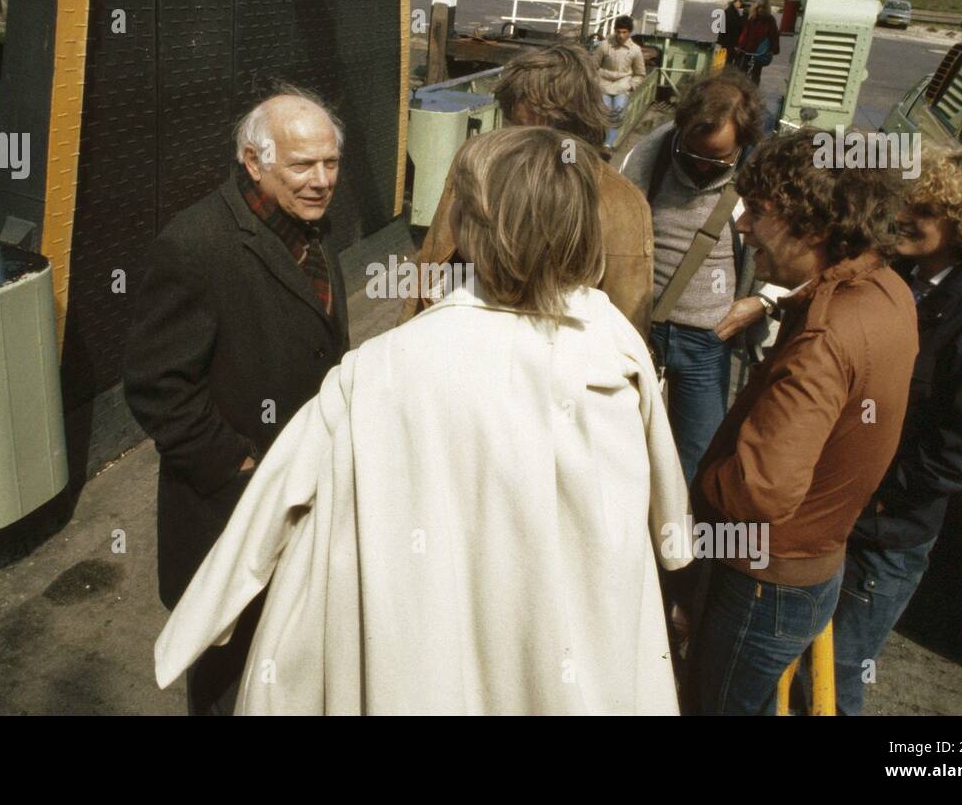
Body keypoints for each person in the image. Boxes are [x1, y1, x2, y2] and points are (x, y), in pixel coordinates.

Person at [155, 126, 693, 714]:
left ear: (470, 226)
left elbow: (268, 510)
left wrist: (201, 623)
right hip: (578, 657)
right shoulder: (614, 345)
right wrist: (673, 549)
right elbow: (666, 496)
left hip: (419, 661)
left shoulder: (381, 370)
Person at [123, 88, 349, 715]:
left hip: (300, 502)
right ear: (254, 162)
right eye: (302, 165)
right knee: (226, 675)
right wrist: (238, 465)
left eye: (330, 163)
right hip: (228, 515)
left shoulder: (310, 230)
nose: (321, 180)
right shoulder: (195, 245)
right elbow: (155, 384)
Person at [687, 129, 918, 716]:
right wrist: (774, 301)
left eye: (759, 214)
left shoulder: (824, 338)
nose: (742, 228)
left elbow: (761, 489)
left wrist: (697, 479)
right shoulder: (886, 288)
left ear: (813, 226)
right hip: (814, 570)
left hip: (765, 580)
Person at [832, 143, 962, 715]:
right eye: (910, 203)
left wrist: (879, 490)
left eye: (926, 211)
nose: (905, 217)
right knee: (800, 655)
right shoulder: (900, 279)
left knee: (839, 673)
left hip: (884, 536)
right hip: (844, 512)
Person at [400, 42, 655, 337]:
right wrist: (405, 334)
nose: (522, 145)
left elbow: (628, 315)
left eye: (539, 133)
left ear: (576, 124)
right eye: (514, 126)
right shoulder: (476, 166)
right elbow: (433, 255)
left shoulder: (619, 202)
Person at [618, 69, 769, 488]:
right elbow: (614, 222)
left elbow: (796, 253)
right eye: (694, 153)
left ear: (744, 142)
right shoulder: (654, 155)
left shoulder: (763, 176)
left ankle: (682, 545)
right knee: (622, 446)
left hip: (710, 339)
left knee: (698, 455)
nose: (702, 166)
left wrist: (763, 302)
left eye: (717, 159)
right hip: (641, 330)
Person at [591, 15, 647, 149]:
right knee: (604, 113)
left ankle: (608, 145)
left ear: (630, 32)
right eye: (619, 31)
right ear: (615, 30)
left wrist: (631, 86)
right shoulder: (605, 45)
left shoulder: (635, 50)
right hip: (603, 83)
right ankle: (600, 141)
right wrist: (595, 82)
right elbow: (593, 65)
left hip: (622, 85)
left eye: (624, 32)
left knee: (618, 114)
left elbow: (640, 74)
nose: (621, 35)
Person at [736, 0, 781, 85]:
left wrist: (773, 49)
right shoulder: (752, 18)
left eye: (763, 8)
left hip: (760, 51)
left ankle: (752, 91)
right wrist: (740, 47)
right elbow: (745, 34)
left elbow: (773, 35)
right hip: (749, 50)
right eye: (759, 7)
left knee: (755, 73)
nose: (761, 10)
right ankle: (743, 89)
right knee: (744, 71)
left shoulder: (769, 20)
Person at [716, 0, 747, 69]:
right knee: (728, 59)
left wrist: (720, 40)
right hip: (730, 40)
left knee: (724, 58)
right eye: (739, 3)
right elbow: (733, 26)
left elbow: (723, 27)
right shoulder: (731, 12)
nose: (740, 5)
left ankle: (722, 71)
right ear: (735, 2)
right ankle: (725, 72)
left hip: (726, 40)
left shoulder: (729, 11)